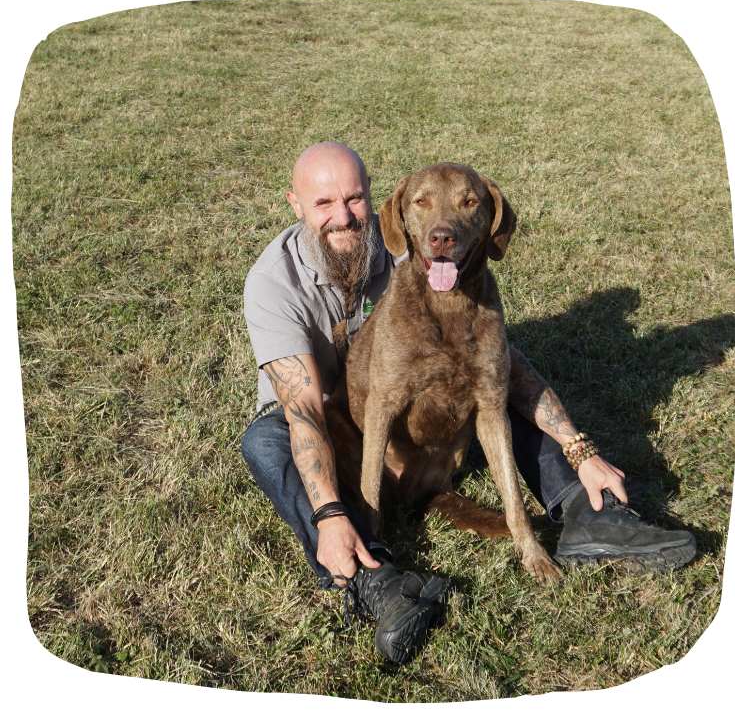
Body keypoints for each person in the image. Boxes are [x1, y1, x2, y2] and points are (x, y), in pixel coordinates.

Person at [240, 142, 696, 664]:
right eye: (323, 204)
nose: (343, 217)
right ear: (295, 204)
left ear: (373, 201)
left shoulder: (403, 241)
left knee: (501, 375)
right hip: (327, 417)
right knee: (266, 441)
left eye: (354, 199)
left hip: (433, 420)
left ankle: (583, 508)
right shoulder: (274, 282)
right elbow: (304, 412)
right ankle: (370, 574)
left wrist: (578, 446)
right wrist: (332, 512)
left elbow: (504, 379)